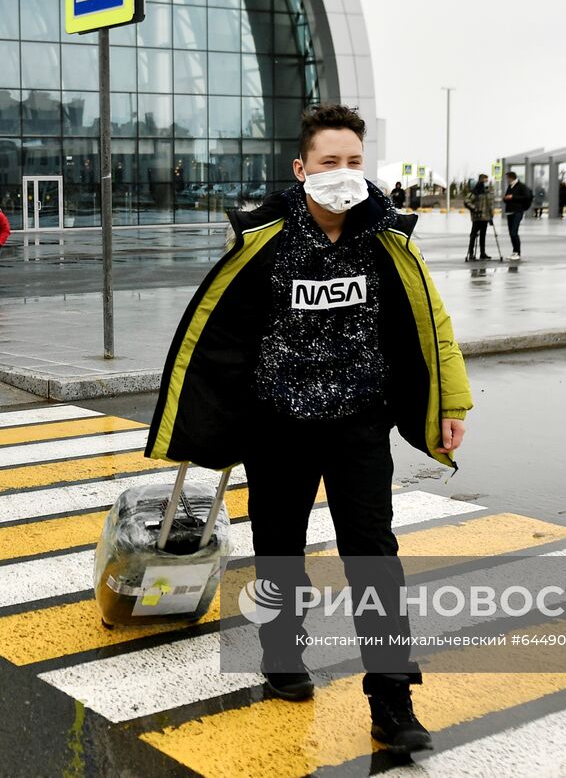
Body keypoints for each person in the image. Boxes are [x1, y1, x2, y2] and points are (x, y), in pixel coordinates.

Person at [146, 104, 472, 754]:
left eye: (354, 161)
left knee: (375, 557)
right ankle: (282, 650)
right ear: (302, 169)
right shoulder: (266, 240)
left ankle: (392, 697)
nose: (343, 173)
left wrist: (450, 402)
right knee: (280, 548)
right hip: (279, 426)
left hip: (359, 425)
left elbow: (430, 321)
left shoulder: (386, 238)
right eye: (329, 162)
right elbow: (223, 333)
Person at [502, 172, 532, 260]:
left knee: (514, 232)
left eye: (507, 178)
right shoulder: (510, 186)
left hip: (518, 212)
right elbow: (507, 197)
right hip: (510, 212)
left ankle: (517, 252)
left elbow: (526, 197)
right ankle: (514, 252)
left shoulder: (521, 186)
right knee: (511, 232)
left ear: (511, 178)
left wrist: (513, 197)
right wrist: (506, 198)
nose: (507, 180)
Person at [465, 174, 493, 261]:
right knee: (473, 235)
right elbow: (467, 201)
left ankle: (482, 253)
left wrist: (491, 216)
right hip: (477, 217)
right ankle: (471, 253)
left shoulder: (487, 191)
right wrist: (474, 209)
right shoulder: (475, 191)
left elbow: (490, 204)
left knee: (483, 235)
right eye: (485, 180)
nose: (486, 182)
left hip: (485, 217)